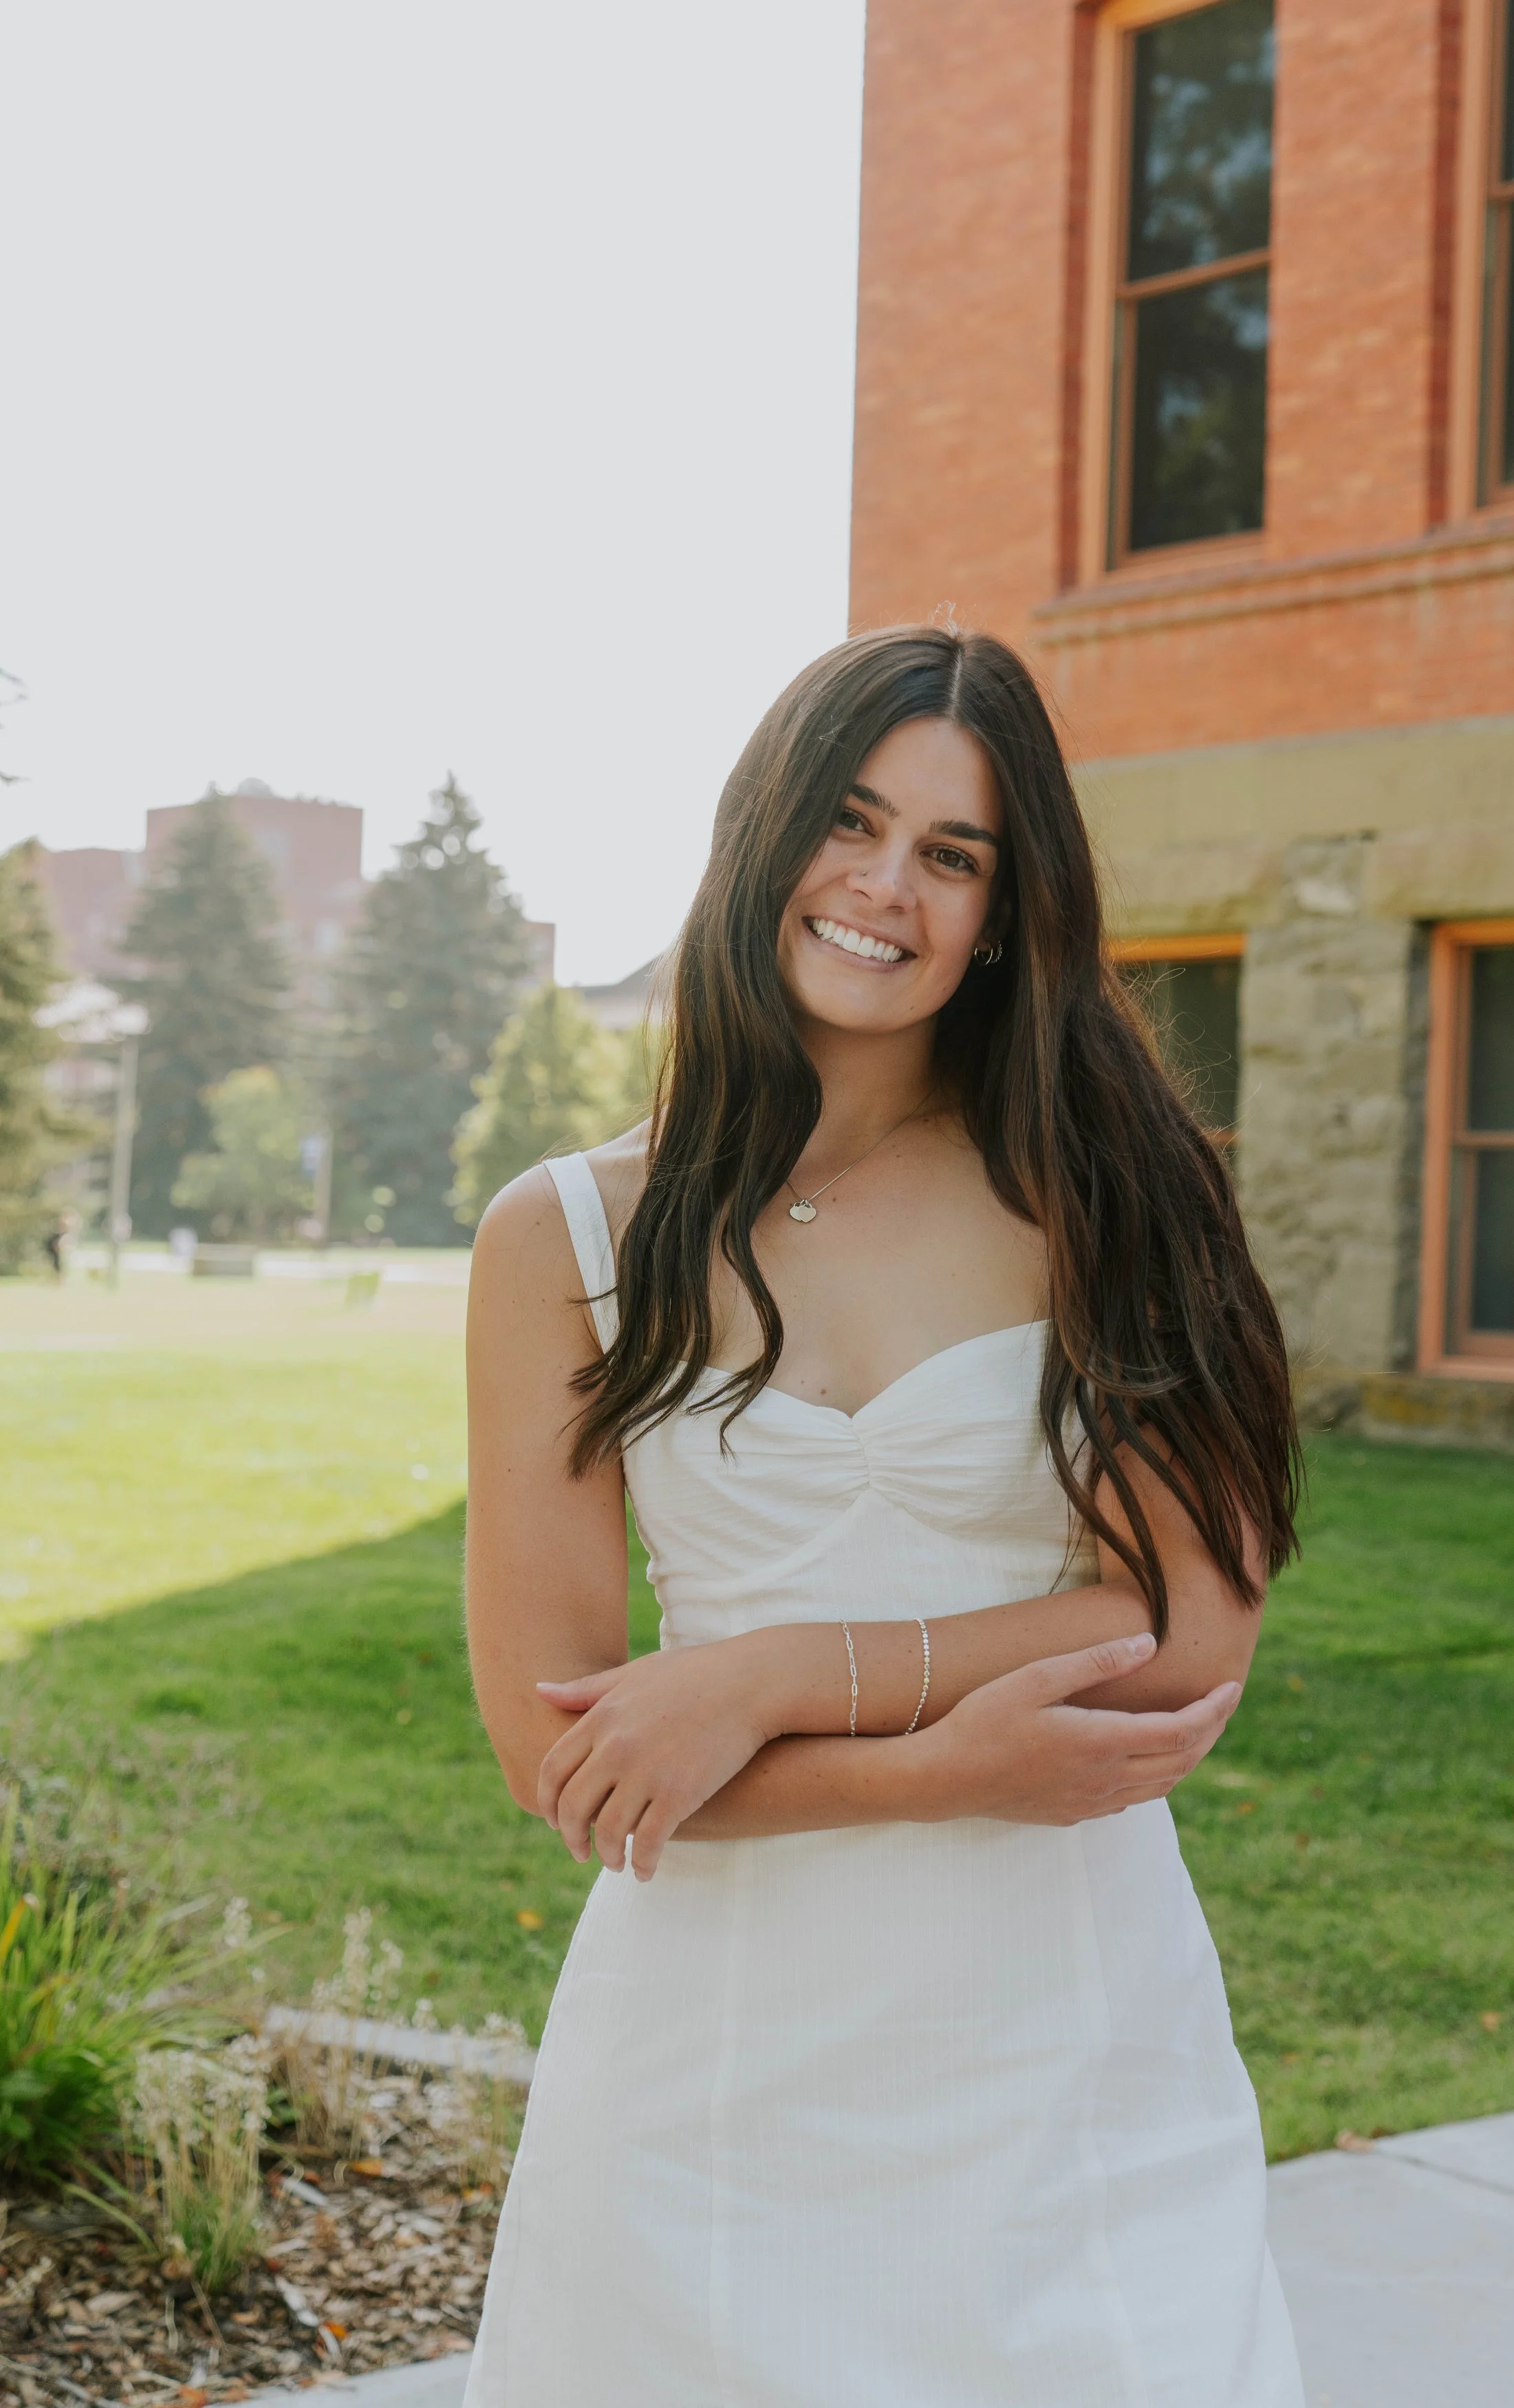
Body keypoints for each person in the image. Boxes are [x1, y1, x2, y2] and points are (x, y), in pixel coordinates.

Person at [463, 627, 1305, 2407]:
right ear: (760, 836)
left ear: (1004, 911)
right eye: (850, 822)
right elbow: (565, 1752)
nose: (882, 886)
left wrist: (772, 1672)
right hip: (707, 2055)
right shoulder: (561, 1238)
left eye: (951, 853)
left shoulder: (1103, 1186)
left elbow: (1186, 1621)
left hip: (1057, 2031)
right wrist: (930, 1768)